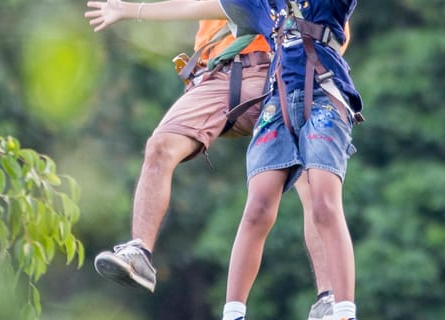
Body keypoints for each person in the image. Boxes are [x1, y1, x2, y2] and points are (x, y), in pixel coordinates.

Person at [86, 0, 363, 319]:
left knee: (315, 187)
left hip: (285, 72)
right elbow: (199, 6)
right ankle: (141, 253)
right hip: (221, 73)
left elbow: (333, 32)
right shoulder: (256, 8)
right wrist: (130, 10)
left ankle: (332, 299)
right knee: (162, 147)